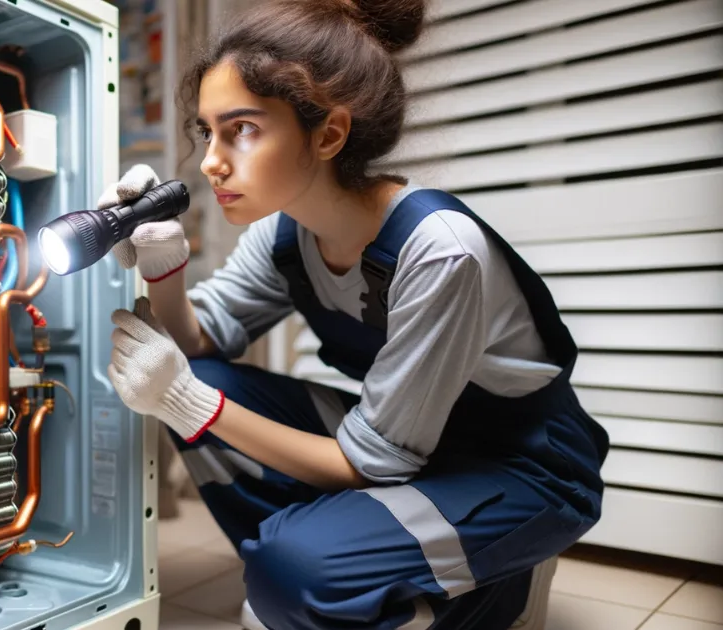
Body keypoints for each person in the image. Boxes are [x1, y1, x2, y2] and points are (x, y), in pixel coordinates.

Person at [101, 1, 611, 629]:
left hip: (521, 465)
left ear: (329, 134)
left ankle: (484, 578)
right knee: (211, 396)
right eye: (208, 131)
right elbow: (199, 346)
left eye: (244, 129)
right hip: (416, 446)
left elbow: (371, 464)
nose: (211, 160)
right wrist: (164, 269)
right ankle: (332, 571)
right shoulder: (283, 237)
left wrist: (185, 401)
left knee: (291, 561)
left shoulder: (438, 249)